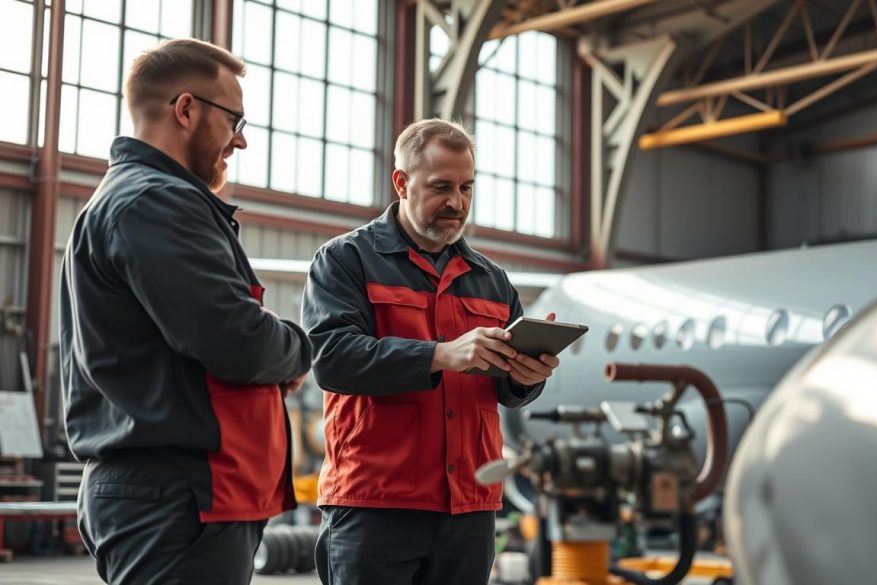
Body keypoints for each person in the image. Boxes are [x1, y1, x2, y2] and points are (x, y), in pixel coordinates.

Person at [59, 38, 311, 584]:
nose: (239, 140)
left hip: (180, 496)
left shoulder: (148, 198)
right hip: (176, 498)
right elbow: (236, 339)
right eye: (234, 120)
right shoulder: (154, 200)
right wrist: (297, 350)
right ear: (187, 108)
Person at [302, 118, 560, 585]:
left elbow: (508, 392)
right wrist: (440, 355)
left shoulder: (493, 280)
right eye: (441, 187)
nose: (457, 203)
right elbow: (332, 358)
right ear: (401, 182)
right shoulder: (345, 261)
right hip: (375, 503)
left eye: (466, 187)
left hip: (469, 506)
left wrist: (527, 373)